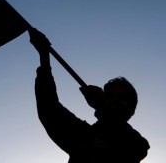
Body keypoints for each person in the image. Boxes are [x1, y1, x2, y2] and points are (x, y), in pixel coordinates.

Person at [29, 28, 149, 163]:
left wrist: (103, 105)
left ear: (131, 110)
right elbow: (49, 109)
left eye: (122, 99)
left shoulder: (137, 144)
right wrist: (44, 58)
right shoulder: (82, 135)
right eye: (110, 96)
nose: (115, 101)